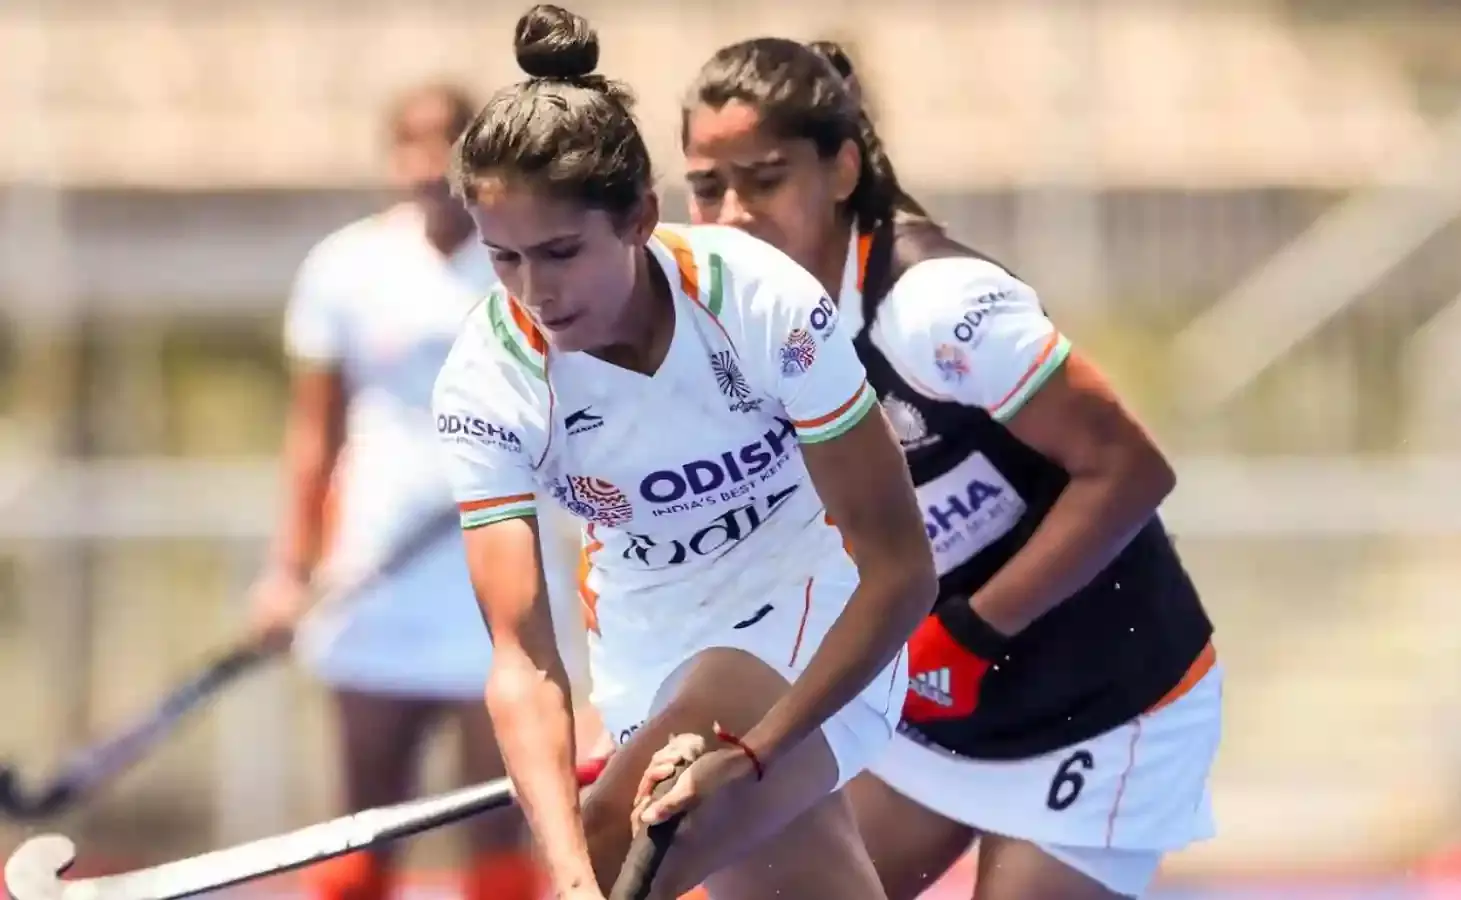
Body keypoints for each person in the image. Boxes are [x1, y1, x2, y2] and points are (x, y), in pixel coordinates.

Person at [678, 38, 1223, 900]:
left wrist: (969, 635)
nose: (733, 214)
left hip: (1106, 702)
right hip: (931, 708)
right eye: (708, 187)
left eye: (766, 178)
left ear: (842, 169)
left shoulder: (937, 305)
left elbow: (1131, 472)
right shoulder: (730, 325)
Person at [430, 5, 938, 899]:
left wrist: (756, 751)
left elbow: (903, 570)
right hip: (646, 645)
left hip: (814, 615)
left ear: (639, 217)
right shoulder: (487, 379)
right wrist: (568, 878)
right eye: (504, 258)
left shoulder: (761, 300)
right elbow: (523, 662)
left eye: (560, 252)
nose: (535, 291)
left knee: (615, 848)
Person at [246, 81, 546, 900]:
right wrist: (288, 570)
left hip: (495, 577)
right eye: (410, 143)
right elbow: (315, 435)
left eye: (446, 143)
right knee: (366, 820)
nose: (427, 164)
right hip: (373, 572)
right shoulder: (345, 267)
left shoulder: (528, 264)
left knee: (506, 813)